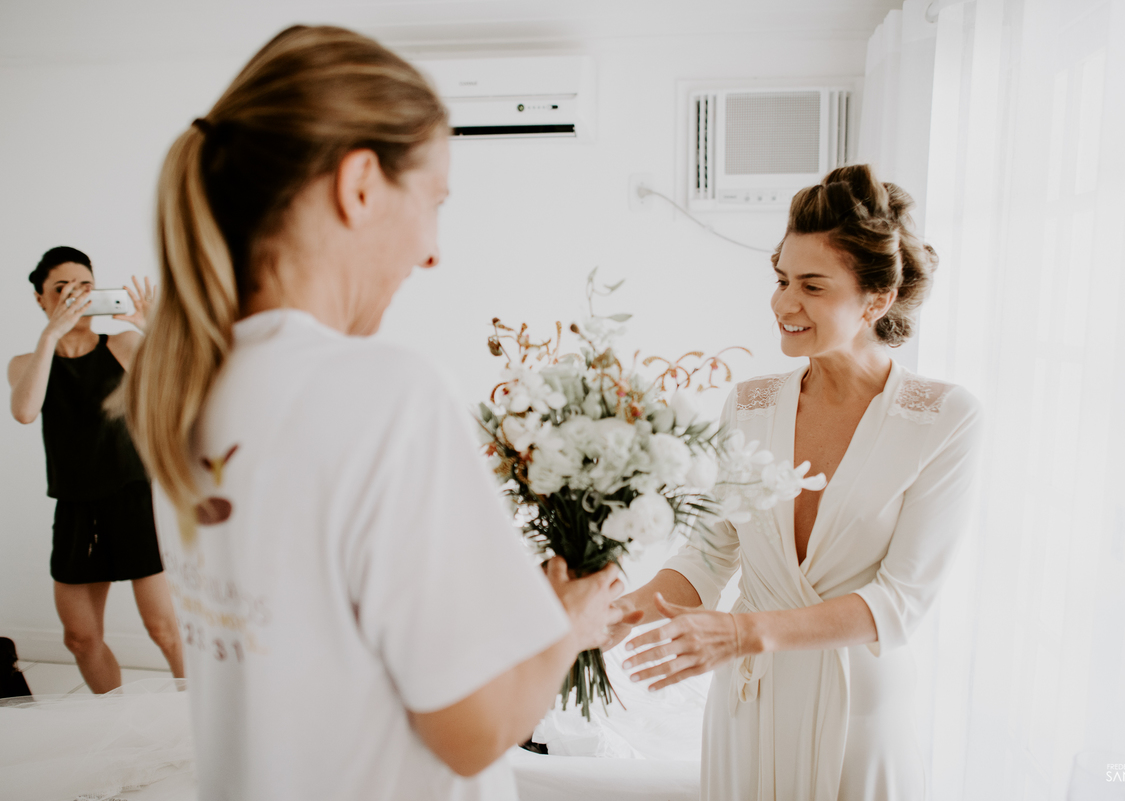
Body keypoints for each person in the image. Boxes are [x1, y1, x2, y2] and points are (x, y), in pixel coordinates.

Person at [116, 25, 626, 801]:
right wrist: (569, 628)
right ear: (360, 184)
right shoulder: (386, 394)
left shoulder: (181, 388)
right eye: (435, 201)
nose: (432, 251)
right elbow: (471, 734)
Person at [606, 165, 983, 800]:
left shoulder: (943, 417)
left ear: (875, 300)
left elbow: (900, 603)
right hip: (746, 699)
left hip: (856, 710)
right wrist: (622, 612)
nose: (784, 304)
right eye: (781, 279)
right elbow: (711, 551)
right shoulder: (751, 404)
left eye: (811, 285)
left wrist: (743, 633)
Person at [7, 246, 183, 693]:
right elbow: (25, 411)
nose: (75, 297)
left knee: (164, 629)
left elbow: (177, 387)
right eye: (61, 289)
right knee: (80, 638)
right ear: (39, 298)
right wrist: (51, 336)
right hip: (73, 505)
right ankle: (115, 725)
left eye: (85, 287)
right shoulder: (26, 364)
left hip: (130, 498)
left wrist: (150, 328)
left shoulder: (121, 345)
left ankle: (198, 728)